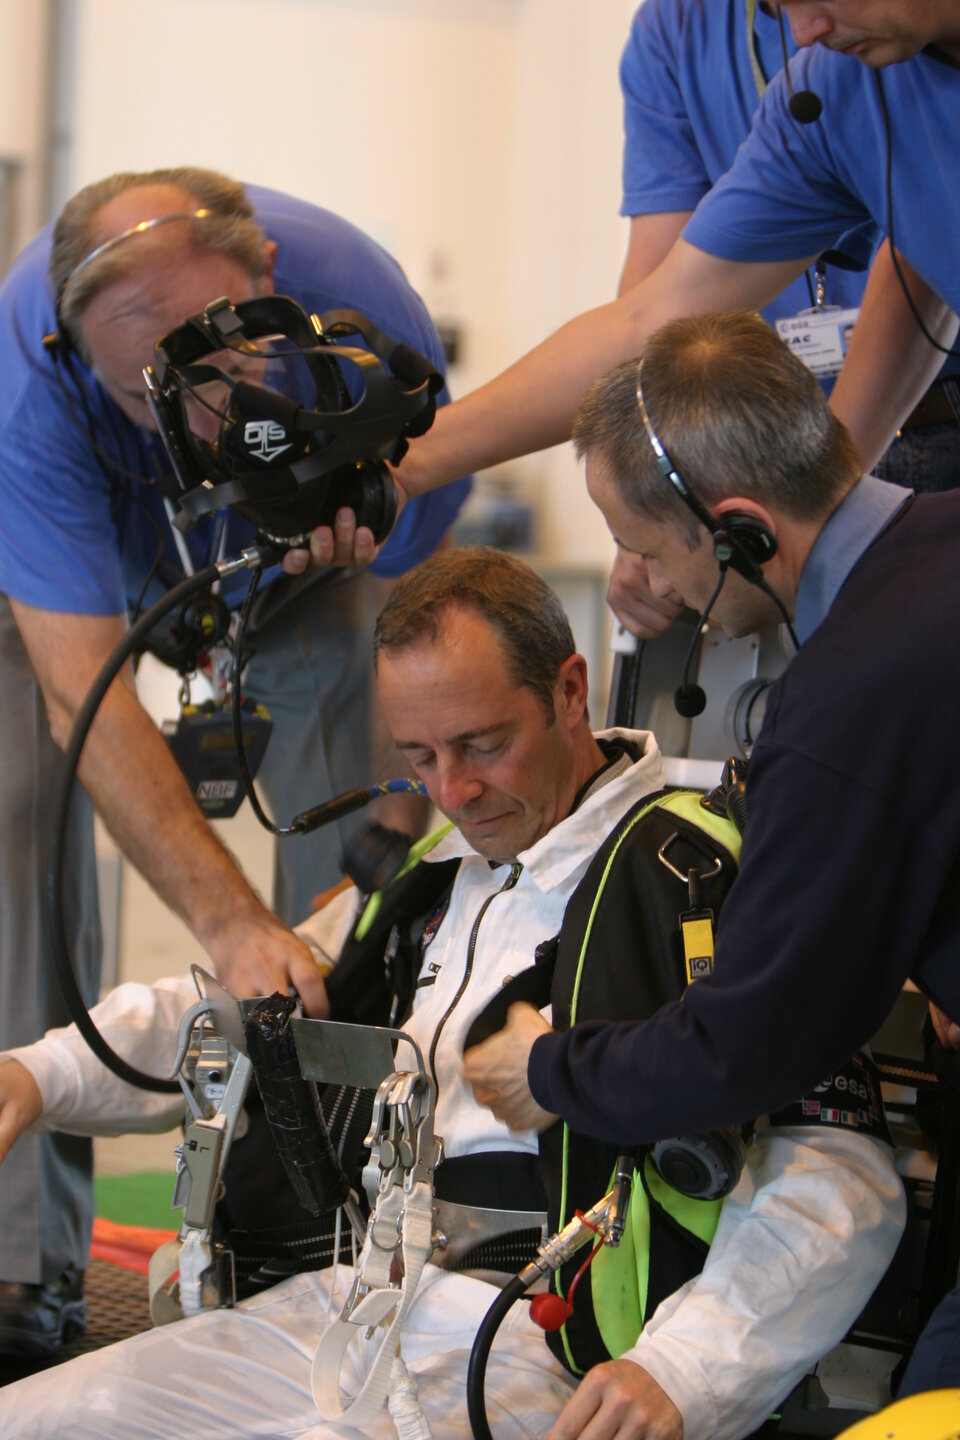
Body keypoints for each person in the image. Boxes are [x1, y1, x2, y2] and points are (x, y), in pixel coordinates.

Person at [0, 549, 904, 1440]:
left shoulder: (706, 878)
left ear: (569, 691)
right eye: (420, 757)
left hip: (546, 1341)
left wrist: (685, 1370)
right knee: (39, 1418)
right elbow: (244, 1006)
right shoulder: (424, 885)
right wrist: (36, 1076)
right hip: (343, 1299)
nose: (454, 791)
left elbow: (838, 1174)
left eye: (483, 746)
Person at [0, 167, 470, 1354]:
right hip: (49, 578)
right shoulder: (27, 393)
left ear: (266, 281)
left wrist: (400, 801)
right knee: (17, 833)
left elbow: (415, 582)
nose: (200, 420)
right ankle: (23, 1268)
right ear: (71, 350)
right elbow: (82, 697)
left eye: (220, 372)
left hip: (294, 565)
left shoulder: (360, 310)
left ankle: (328, 1236)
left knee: (352, 885)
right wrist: (222, 922)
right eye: (148, 386)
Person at [460, 311, 960, 1399]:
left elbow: (749, 1046)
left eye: (646, 549)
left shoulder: (845, 707)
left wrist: (552, 1070)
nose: (650, 587)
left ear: (736, 528)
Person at [384, 1, 959, 527]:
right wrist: (406, 461)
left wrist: (827, 502)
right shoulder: (830, 89)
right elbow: (650, 317)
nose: (804, 32)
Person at [608, 0, 960, 640]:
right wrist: (643, 494)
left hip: (901, 428)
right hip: (769, 458)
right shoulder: (680, 29)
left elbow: (914, 268)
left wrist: (820, 488)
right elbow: (651, 310)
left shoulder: (858, 66)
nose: (804, 34)